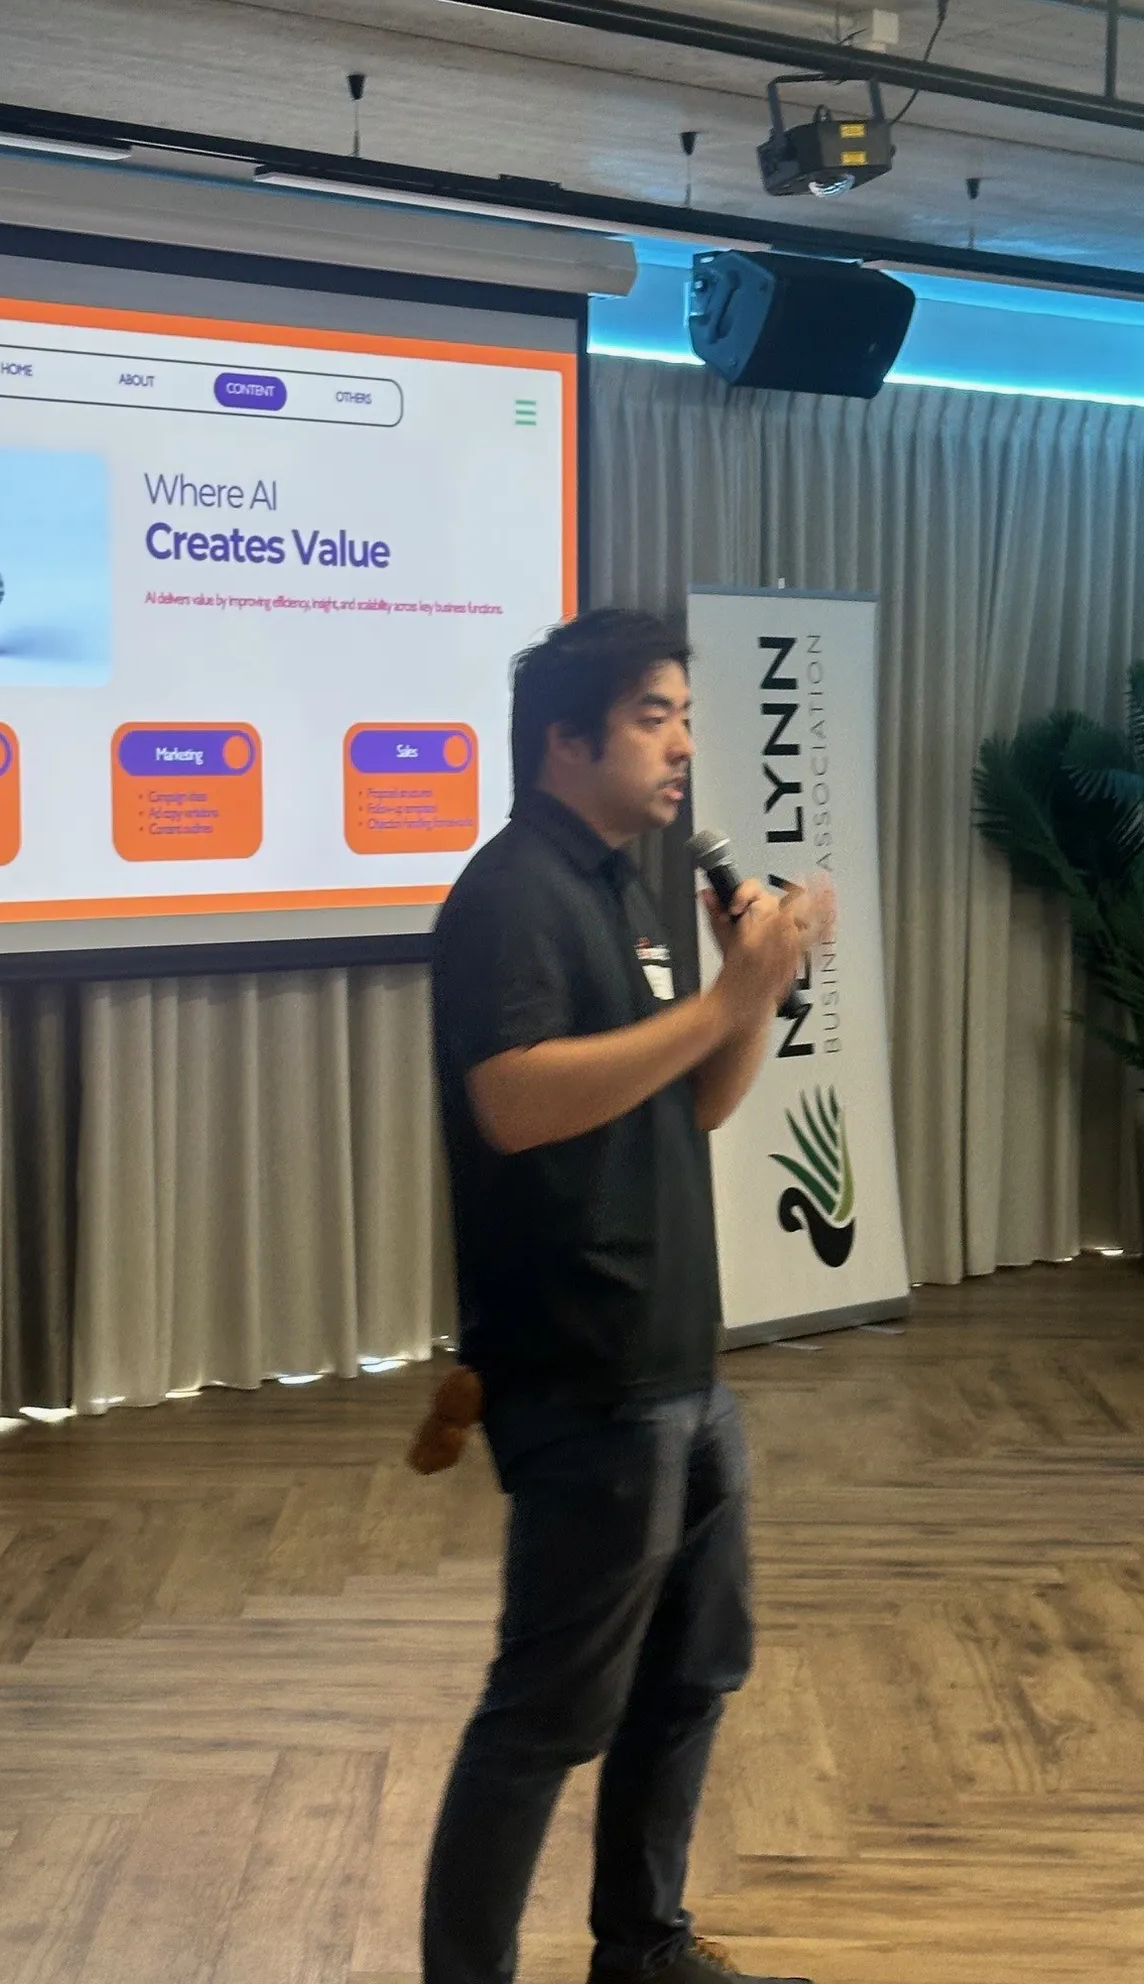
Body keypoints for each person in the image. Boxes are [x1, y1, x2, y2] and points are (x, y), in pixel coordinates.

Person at [423, 608, 830, 1984]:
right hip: (583, 1369)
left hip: (677, 1360)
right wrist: (720, 1004)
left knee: (691, 1677)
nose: (682, 746)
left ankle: (642, 1947)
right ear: (566, 739)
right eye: (654, 717)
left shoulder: (621, 887)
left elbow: (690, 1106)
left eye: (685, 718)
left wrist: (750, 992)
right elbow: (515, 1100)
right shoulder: (510, 896)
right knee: (544, 1715)